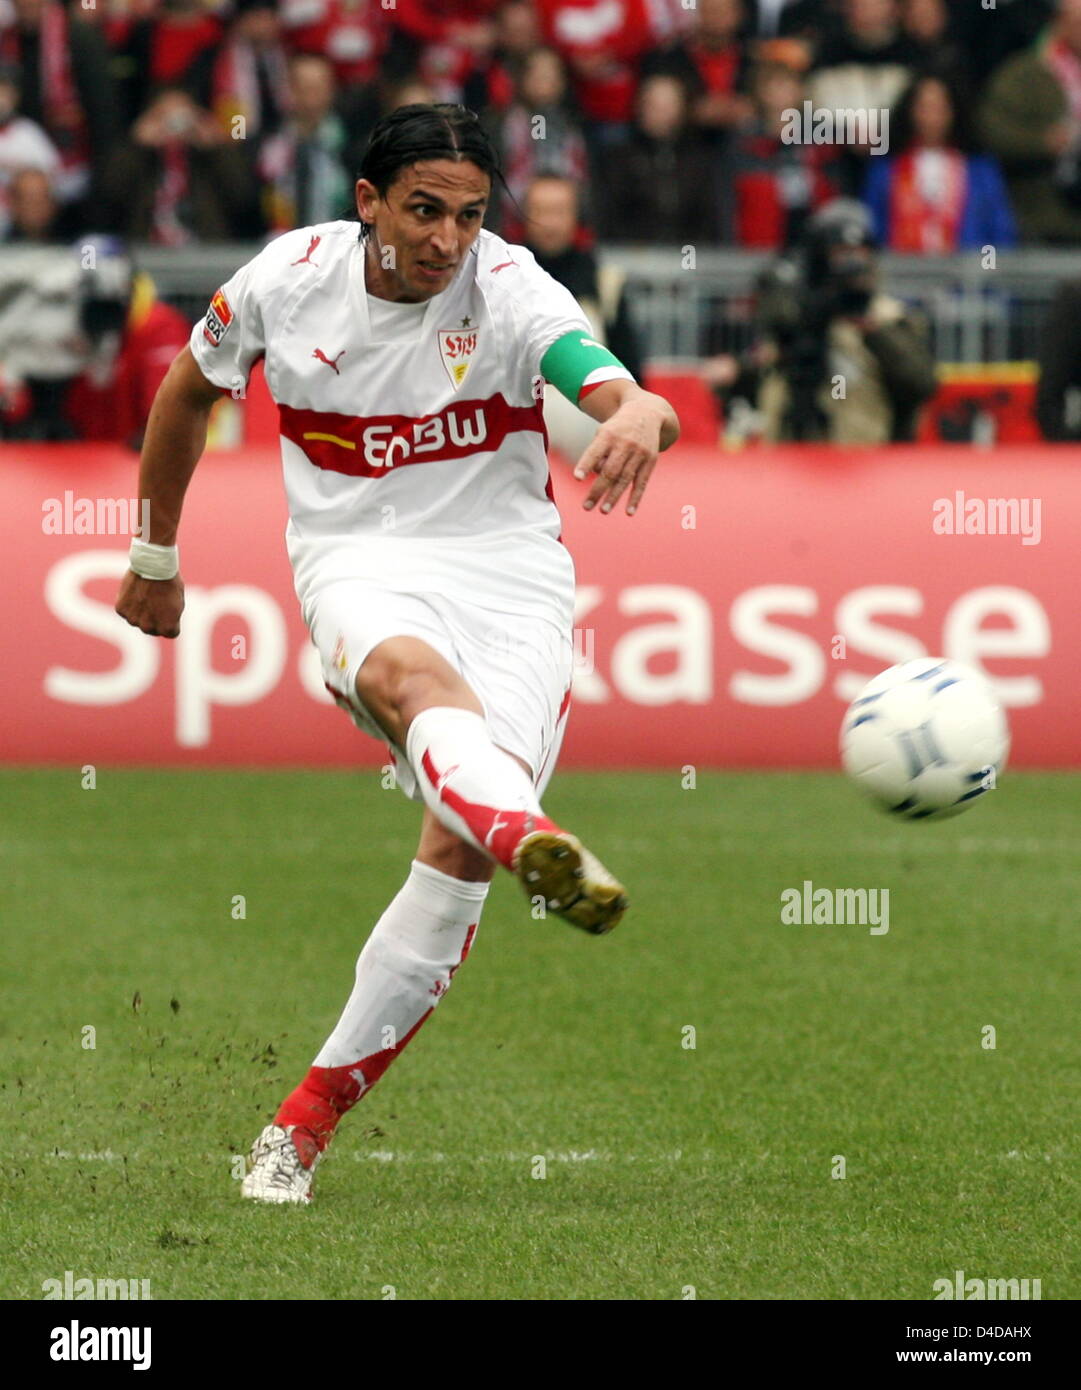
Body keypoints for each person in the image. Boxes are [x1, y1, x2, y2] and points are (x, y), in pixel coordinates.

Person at [113, 103, 680, 1205]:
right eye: (423, 211)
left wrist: (637, 410)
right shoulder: (289, 278)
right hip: (357, 557)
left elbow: (607, 383)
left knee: (456, 853)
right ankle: (528, 831)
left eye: (468, 216)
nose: (446, 239)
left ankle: (299, 1129)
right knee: (404, 679)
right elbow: (188, 391)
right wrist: (153, 552)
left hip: (509, 571)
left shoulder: (508, 287)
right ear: (366, 201)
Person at [703, 197, 936, 443]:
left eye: (858, 253)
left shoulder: (890, 316)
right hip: (789, 455)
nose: (850, 264)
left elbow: (921, 384)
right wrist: (741, 368)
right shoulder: (799, 309)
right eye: (840, 253)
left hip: (863, 460)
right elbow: (772, 360)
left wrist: (872, 331)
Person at [863, 73, 1017, 253]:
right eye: (924, 108)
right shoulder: (885, 169)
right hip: (901, 273)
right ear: (909, 111)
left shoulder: (980, 171)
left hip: (966, 275)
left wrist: (985, 274)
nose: (932, 119)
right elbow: (872, 231)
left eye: (940, 109)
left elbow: (999, 234)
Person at [981, 0, 1081, 244]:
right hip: (1042, 219)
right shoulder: (1024, 73)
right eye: (1079, 23)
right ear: (1059, 23)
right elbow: (990, 132)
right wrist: (1043, 142)